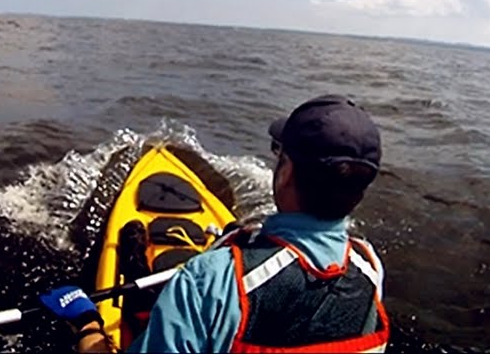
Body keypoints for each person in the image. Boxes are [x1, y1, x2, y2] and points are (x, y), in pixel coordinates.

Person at [40, 94, 391, 353]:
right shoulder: (369, 267)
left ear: (287, 172)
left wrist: (86, 325)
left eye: (278, 152)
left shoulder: (210, 278)